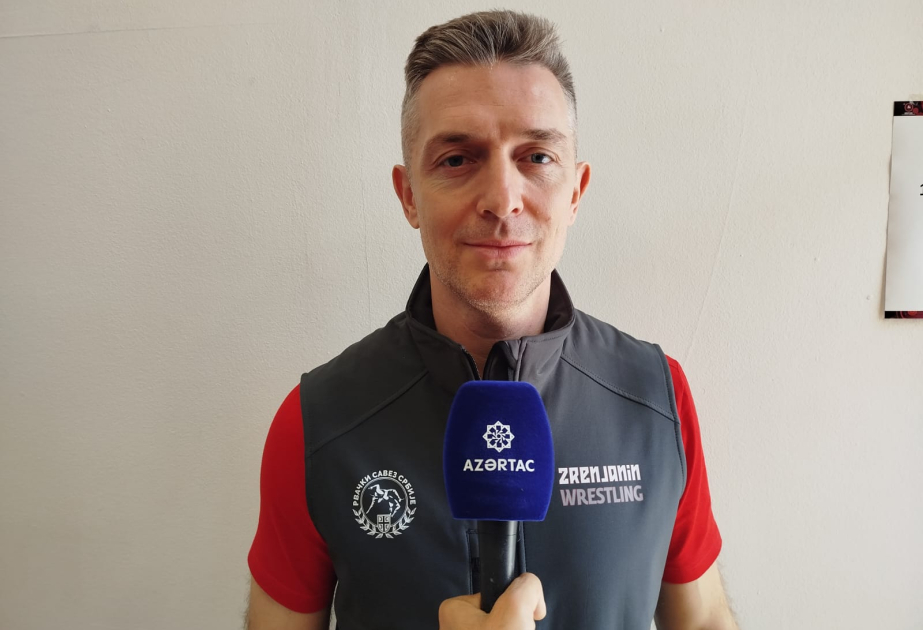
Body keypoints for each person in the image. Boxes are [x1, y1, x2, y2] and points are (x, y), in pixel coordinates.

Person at [245, 10, 738, 630]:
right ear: (409, 196)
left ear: (576, 191)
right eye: (457, 159)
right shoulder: (317, 421)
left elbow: (705, 619)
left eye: (537, 156)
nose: (502, 200)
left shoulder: (656, 396)